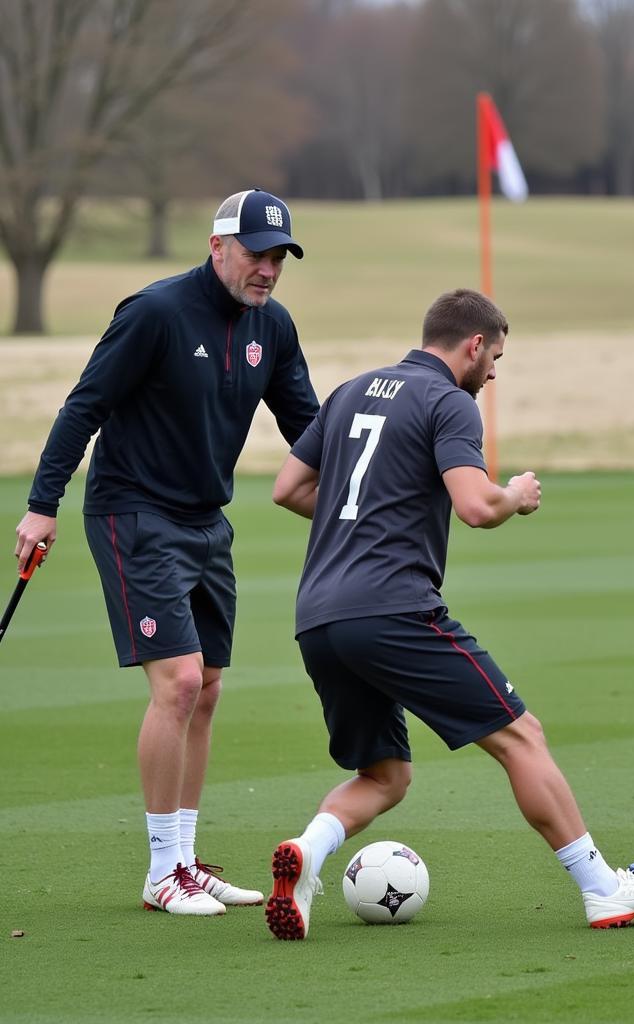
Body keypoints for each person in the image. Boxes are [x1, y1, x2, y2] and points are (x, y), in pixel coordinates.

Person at [266, 288, 634, 939]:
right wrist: (515, 495)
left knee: (384, 776)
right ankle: (602, 889)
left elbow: (288, 488)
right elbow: (475, 507)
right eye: (495, 356)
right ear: (472, 345)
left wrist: (368, 516)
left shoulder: (351, 390)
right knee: (522, 737)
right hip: (394, 610)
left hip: (319, 618)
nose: (494, 371)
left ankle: (306, 858)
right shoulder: (449, 402)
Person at [14, 189, 320, 916]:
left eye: (279, 256)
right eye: (256, 253)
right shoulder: (153, 312)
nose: (269, 269)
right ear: (217, 247)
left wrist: (364, 483)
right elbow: (83, 406)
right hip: (133, 512)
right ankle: (160, 873)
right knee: (178, 682)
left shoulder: (271, 328)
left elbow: (306, 422)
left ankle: (185, 859)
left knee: (208, 685)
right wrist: (41, 504)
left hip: (207, 520)